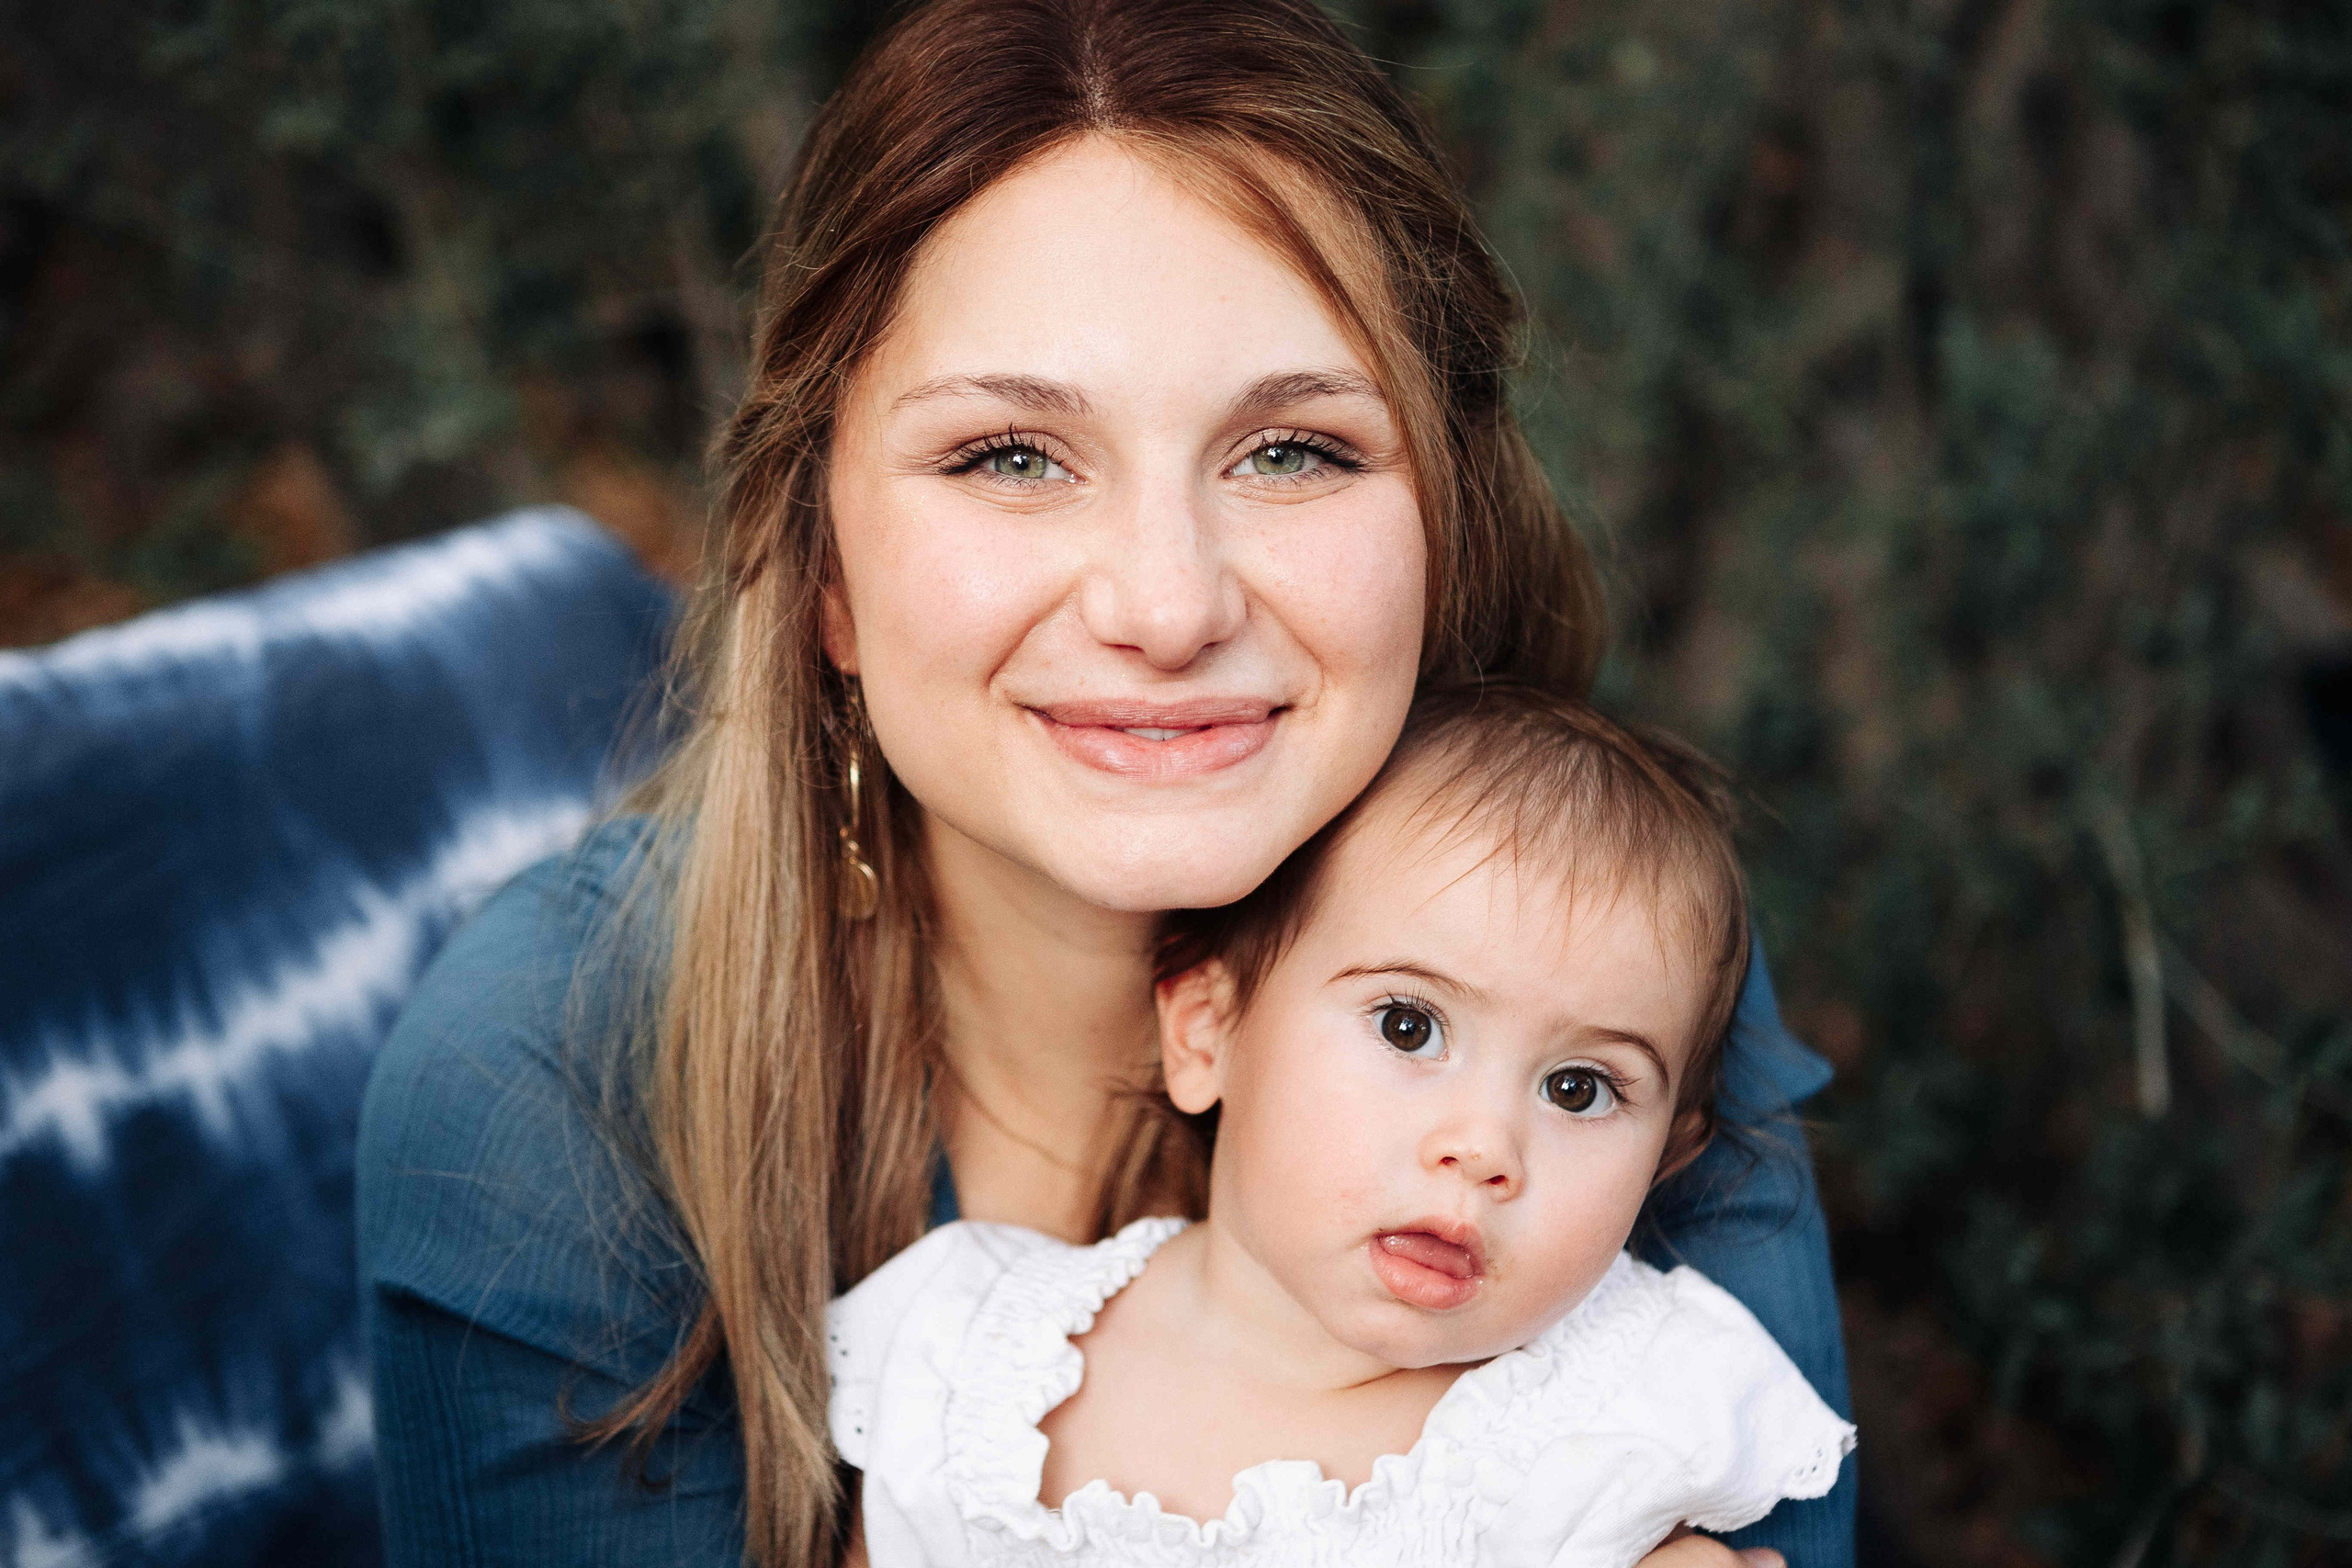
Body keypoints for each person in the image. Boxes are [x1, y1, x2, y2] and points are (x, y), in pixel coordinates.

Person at [356, 3, 1855, 1565]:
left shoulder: (1573, 973)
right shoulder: (550, 1078)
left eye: (1292, 451)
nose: (1165, 603)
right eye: (1011, 454)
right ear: (823, 576)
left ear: (1448, 523)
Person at [828, 687, 1855, 1565]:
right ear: (1206, 1030)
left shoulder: (1612, 1426)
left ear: (1669, 1155)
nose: (1485, 1148)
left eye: (1580, 1090)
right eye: (1409, 1027)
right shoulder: (967, 1357)